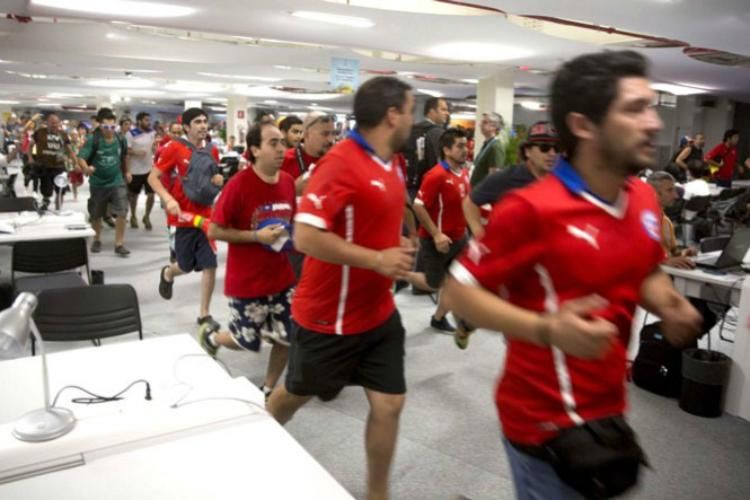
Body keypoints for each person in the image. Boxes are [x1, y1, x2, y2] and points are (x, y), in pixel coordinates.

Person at [443, 50, 702, 499]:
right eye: (634, 109)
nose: (653, 123)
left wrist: (666, 300)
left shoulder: (640, 197)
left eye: (652, 107)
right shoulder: (531, 209)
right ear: (584, 125)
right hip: (542, 419)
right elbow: (459, 293)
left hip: (608, 407)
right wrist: (546, 328)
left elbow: (639, 267)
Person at [267, 76, 415, 500]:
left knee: (389, 404)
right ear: (392, 114)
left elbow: (369, 222)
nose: (412, 118)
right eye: (409, 109)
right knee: (291, 399)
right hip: (328, 318)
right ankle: (255, 435)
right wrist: (376, 258)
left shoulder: (389, 161)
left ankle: (377, 496)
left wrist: (396, 244)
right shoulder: (341, 162)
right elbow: (306, 236)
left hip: (378, 313)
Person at [202, 122, 296, 400]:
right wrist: (256, 236)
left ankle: (268, 389)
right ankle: (212, 337)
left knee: (286, 337)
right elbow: (214, 230)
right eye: (273, 143)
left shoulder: (288, 183)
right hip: (248, 281)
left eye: (282, 142)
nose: (281, 148)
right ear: (255, 149)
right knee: (246, 341)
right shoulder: (239, 185)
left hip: (282, 278)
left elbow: (293, 222)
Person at [149, 108, 224, 330]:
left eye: (205, 122)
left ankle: (204, 314)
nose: (203, 126)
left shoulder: (212, 151)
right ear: (187, 127)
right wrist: (168, 199)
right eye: (198, 122)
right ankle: (168, 272)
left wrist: (218, 181)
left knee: (210, 264)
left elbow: (210, 180)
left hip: (206, 219)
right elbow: (154, 178)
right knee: (185, 265)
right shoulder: (173, 148)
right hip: (183, 218)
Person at [403, 128, 470, 336]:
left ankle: (438, 318)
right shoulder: (435, 175)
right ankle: (401, 274)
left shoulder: (464, 172)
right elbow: (418, 206)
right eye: (459, 146)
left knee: (460, 281)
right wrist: (436, 234)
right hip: (436, 240)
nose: (465, 150)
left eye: (466, 145)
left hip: (460, 237)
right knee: (435, 284)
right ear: (446, 149)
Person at [464, 121, 559, 240]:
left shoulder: (558, 180)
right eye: (544, 148)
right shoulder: (507, 178)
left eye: (556, 148)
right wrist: (481, 238)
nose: (552, 154)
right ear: (527, 151)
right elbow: (469, 203)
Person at [77, 107, 131, 256]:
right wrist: (86, 168)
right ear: (100, 125)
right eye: (106, 126)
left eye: (113, 126)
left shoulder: (120, 139)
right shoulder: (93, 140)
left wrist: (127, 171)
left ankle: (119, 244)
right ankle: (97, 239)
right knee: (96, 214)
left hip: (117, 181)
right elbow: (81, 157)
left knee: (122, 211)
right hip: (98, 183)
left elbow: (125, 156)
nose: (110, 130)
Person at [27, 112, 75, 210]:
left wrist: (75, 162)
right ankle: (45, 204)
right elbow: (30, 146)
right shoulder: (40, 132)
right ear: (47, 122)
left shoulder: (63, 134)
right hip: (44, 166)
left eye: (57, 123)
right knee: (46, 191)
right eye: (52, 123)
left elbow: (69, 150)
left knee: (61, 190)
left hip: (59, 166)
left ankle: (58, 210)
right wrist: (30, 158)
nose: (55, 125)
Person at [280, 111, 335, 195]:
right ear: (306, 135)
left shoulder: (337, 162)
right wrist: (293, 190)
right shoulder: (283, 160)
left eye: (333, 134)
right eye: (325, 134)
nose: (331, 139)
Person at [404, 97, 449, 197]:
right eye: (443, 109)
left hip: (409, 185)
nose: (447, 113)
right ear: (432, 111)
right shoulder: (438, 133)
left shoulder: (412, 130)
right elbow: (442, 162)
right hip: (428, 187)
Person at [126, 112, 157, 230]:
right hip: (135, 170)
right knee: (134, 196)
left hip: (149, 168)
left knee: (151, 195)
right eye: (146, 120)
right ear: (139, 121)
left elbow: (153, 148)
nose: (148, 123)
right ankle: (133, 216)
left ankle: (147, 216)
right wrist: (136, 152)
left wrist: (155, 149)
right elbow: (126, 151)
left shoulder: (152, 133)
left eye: (149, 120)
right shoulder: (131, 134)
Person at [469, 111, 505, 187]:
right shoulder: (487, 143)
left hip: (482, 194)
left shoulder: (496, 146)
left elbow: (494, 177)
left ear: (494, 127)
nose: (480, 125)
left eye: (484, 122)